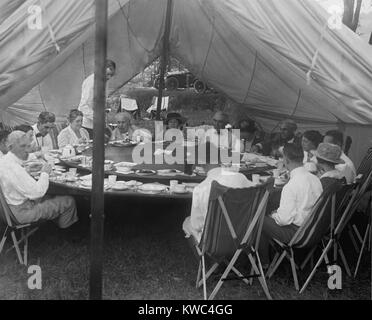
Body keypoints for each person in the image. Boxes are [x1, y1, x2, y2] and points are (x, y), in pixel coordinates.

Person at [258, 143, 323, 266]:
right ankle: (270, 254)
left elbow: (284, 220)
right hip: (313, 230)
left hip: (297, 233)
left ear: (286, 160)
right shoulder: (315, 179)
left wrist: (273, 215)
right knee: (271, 212)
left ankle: (264, 262)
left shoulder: (291, 185)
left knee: (258, 219)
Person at [0, 131, 78, 228]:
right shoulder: (14, 168)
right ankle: (67, 232)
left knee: (50, 195)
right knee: (68, 200)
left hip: (7, 211)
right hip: (22, 213)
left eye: (28, 146)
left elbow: (14, 179)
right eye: (22, 146)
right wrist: (45, 173)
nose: (27, 151)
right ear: (10, 147)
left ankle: (54, 222)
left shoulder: (4, 161)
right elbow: (37, 193)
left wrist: (26, 170)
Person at [182, 166, 255, 243]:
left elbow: (197, 225)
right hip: (244, 234)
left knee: (188, 222)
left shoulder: (203, 188)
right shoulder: (243, 180)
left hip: (215, 240)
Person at [78, 59, 116, 138]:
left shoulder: (104, 81)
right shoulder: (91, 83)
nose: (109, 77)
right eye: (107, 74)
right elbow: (83, 107)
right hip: (88, 126)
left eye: (111, 75)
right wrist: (98, 118)